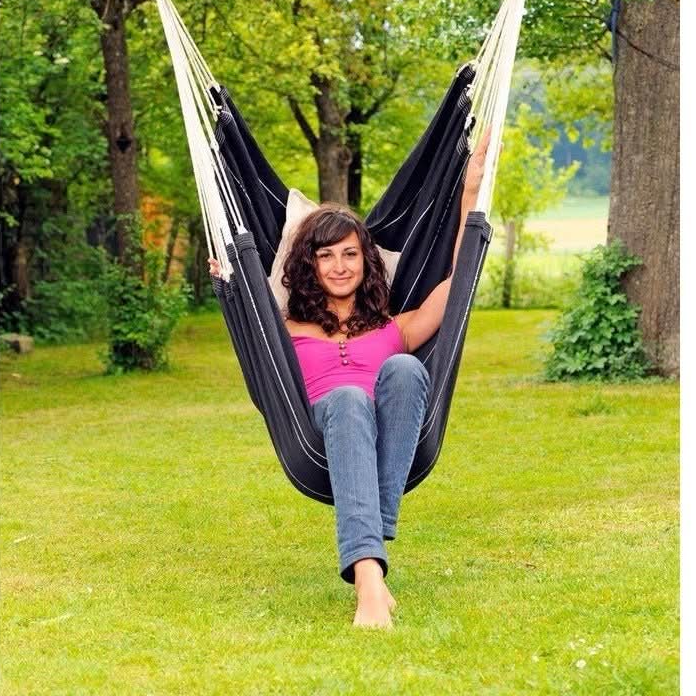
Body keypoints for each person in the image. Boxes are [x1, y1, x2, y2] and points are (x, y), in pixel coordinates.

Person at [210, 128, 490, 628]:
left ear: (366, 262)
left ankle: (369, 573)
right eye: (325, 255)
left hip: (392, 441)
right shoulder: (286, 330)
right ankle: (371, 580)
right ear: (310, 265)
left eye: (350, 254)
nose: (339, 266)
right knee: (346, 399)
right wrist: (230, 286)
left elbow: (458, 280)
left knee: (405, 367)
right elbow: (251, 319)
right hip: (320, 436)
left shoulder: (396, 327)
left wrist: (469, 193)